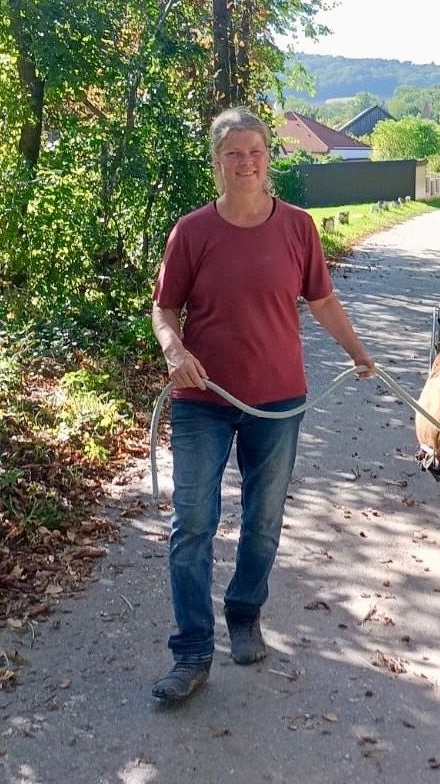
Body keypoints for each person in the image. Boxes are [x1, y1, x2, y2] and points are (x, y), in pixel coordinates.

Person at [150, 107, 375, 704]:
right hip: (202, 398)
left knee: (263, 519)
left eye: (255, 152)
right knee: (192, 523)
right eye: (233, 154)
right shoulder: (192, 231)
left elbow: (323, 301)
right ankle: (193, 650)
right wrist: (173, 349)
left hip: (277, 400)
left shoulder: (298, 228)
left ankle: (245, 612)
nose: (246, 163)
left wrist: (358, 352)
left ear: (269, 157)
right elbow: (164, 309)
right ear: (217, 162)